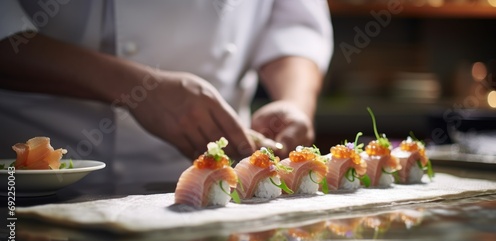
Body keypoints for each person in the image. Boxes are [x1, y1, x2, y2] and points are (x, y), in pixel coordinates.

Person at [0, 0, 334, 184]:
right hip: (33, 181)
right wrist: (136, 88)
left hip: (219, 185)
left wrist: (294, 101)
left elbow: (294, 22)